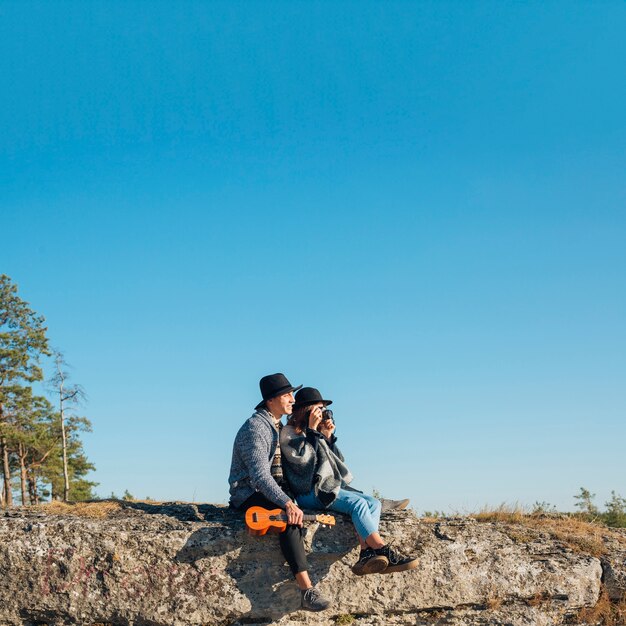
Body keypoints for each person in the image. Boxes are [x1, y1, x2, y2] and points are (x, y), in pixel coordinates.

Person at [280, 387, 419, 576]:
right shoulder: (289, 433)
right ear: (305, 410)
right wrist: (313, 431)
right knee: (358, 504)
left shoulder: (314, 432)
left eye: (323, 409)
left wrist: (328, 438)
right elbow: (303, 464)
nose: (321, 414)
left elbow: (335, 463)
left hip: (325, 487)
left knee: (374, 503)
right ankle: (382, 549)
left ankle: (366, 553)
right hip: (307, 493)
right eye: (318, 409)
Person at [228, 374, 331, 612]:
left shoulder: (277, 426)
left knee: (292, 513)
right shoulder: (256, 427)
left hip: (270, 488)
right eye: (287, 395)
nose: (292, 399)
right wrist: (286, 502)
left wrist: (323, 434)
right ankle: (307, 591)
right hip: (248, 492)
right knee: (290, 519)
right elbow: (259, 476)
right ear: (272, 399)